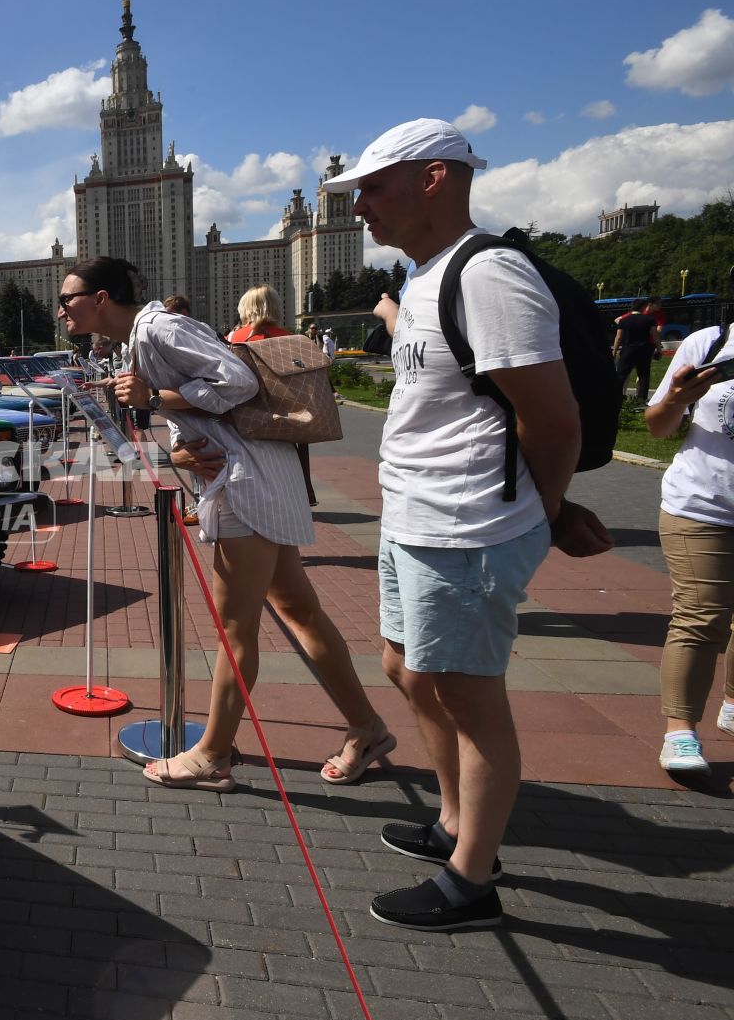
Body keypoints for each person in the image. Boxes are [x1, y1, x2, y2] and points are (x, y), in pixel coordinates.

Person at [331, 117, 611, 932]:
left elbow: (553, 422)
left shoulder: (490, 275)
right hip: (417, 515)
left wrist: (541, 514)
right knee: (407, 670)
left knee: (468, 693)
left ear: (434, 179)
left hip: (465, 523)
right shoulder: (426, 276)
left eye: (372, 188)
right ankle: (454, 819)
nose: (360, 208)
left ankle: (472, 878)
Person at [58, 257, 395, 793]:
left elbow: (234, 380)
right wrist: (183, 447)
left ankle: (213, 753)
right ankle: (366, 726)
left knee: (236, 627)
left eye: (68, 299)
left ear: (101, 298)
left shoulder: (157, 327)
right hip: (253, 473)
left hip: (245, 482)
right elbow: (196, 413)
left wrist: (157, 399)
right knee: (297, 609)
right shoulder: (140, 338)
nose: (61, 310)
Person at [642, 321, 734, 774]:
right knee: (702, 616)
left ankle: (732, 704)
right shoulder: (710, 343)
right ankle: (680, 734)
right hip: (703, 506)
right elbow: (658, 427)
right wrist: (678, 397)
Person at [228, 286, 318, 508]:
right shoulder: (292, 339)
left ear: (246, 309)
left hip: (247, 420)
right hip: (287, 419)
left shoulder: (234, 339)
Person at [613, 298, 662, 405]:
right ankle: (641, 400)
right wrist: (659, 349)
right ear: (643, 307)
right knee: (643, 375)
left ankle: (617, 398)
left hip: (627, 350)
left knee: (621, 375)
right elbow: (655, 335)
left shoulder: (624, 320)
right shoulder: (649, 320)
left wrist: (615, 351)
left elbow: (619, 337)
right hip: (644, 351)